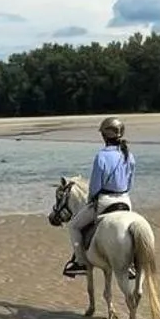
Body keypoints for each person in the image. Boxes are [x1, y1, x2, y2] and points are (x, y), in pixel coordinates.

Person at [64, 116, 134, 277]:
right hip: (125, 201)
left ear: (104, 136)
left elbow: (95, 185)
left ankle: (80, 262)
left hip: (105, 201)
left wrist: (91, 200)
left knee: (73, 226)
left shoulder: (101, 156)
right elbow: (130, 183)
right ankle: (132, 264)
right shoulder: (129, 155)